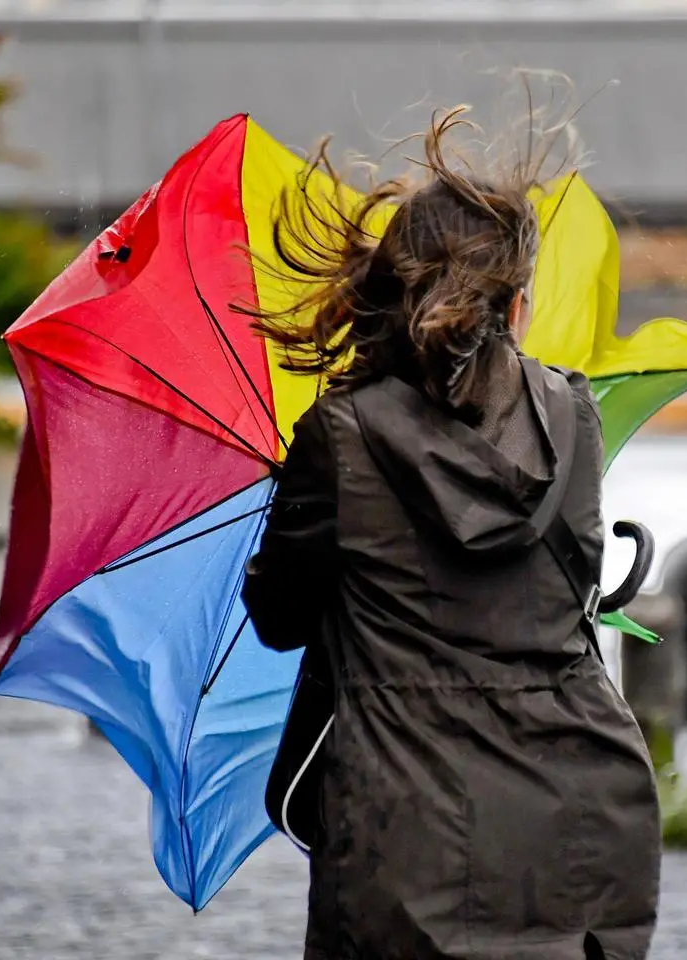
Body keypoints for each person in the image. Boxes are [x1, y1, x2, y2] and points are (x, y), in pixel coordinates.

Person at [240, 106, 661, 960]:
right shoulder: (574, 412)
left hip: (409, 826)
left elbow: (281, 617)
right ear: (514, 304)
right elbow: (559, 593)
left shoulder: (342, 434)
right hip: (583, 812)